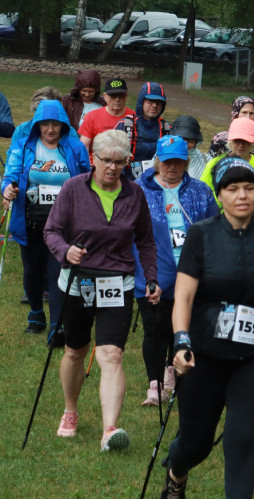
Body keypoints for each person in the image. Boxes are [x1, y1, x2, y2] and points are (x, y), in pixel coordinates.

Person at [160, 157, 254, 499]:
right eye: (232, 189)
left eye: (248, 187)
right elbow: (185, 296)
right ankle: (176, 473)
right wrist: (180, 341)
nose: (242, 195)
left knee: (241, 437)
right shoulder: (201, 235)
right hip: (205, 353)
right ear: (220, 195)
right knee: (195, 442)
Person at [43, 130, 160, 450]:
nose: (111, 167)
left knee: (112, 354)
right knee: (75, 351)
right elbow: (51, 230)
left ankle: (110, 429)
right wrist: (65, 251)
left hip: (116, 283)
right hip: (77, 281)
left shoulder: (134, 195)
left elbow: (146, 242)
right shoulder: (72, 189)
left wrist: (150, 278)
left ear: (127, 162)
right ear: (93, 158)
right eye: (105, 160)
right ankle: (70, 411)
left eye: (119, 162)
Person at [134, 135, 218, 406]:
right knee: (155, 330)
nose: (172, 168)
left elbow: (213, 230)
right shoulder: (138, 190)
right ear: (157, 161)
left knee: (181, 330)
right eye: (166, 162)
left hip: (191, 274)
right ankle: (155, 385)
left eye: (178, 162)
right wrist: (147, 276)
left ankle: (173, 372)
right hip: (153, 273)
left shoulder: (201, 191)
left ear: (186, 162)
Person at [1, 100, 91, 338]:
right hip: (29, 220)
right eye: (45, 124)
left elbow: (87, 180)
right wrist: (7, 190)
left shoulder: (75, 148)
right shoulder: (22, 146)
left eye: (56, 124)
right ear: (37, 125)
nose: (50, 129)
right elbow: (9, 176)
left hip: (64, 223)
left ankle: (56, 325)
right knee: (31, 271)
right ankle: (36, 314)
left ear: (63, 125)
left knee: (56, 271)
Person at [200, 118, 254, 205]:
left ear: (253, 142)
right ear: (230, 141)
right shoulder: (214, 165)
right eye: (237, 141)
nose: (241, 145)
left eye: (245, 141)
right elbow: (201, 196)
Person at [115, 81, 171, 179]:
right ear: (142, 101)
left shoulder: (167, 128)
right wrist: (121, 156)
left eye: (158, 102)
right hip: (127, 181)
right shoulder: (124, 125)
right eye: (150, 101)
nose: (154, 105)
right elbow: (108, 153)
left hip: (158, 182)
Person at [207, 96, 254, 170]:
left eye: (251, 113)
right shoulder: (219, 139)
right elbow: (211, 167)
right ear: (235, 113)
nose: (248, 117)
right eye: (244, 112)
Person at [78, 78, 134, 153]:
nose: (117, 99)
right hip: (97, 163)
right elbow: (84, 146)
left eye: (121, 96)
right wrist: (89, 164)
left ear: (126, 96)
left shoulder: (134, 117)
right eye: (113, 96)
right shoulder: (92, 116)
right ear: (105, 96)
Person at [169, 115, 211, 179]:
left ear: (196, 142)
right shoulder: (161, 155)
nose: (185, 144)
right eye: (182, 139)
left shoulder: (207, 160)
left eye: (190, 141)